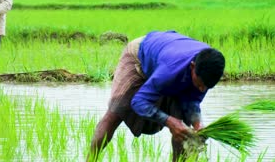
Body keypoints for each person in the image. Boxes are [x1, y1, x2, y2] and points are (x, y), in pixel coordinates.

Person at [88, 30, 225, 162]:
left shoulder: (208, 68)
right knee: (115, 112)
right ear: (192, 67)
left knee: (184, 128)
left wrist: (198, 124)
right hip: (140, 56)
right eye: (200, 84)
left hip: (168, 56)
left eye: (207, 87)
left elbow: (192, 101)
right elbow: (139, 102)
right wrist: (170, 122)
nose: (202, 89)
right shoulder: (170, 69)